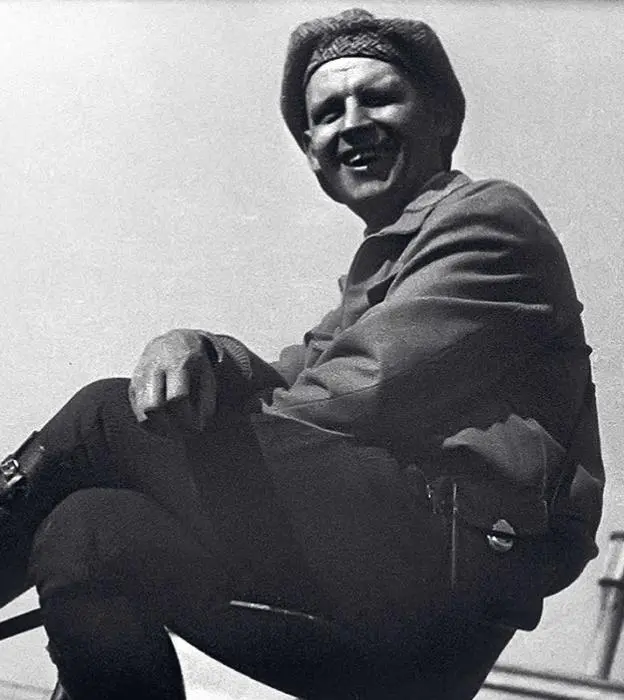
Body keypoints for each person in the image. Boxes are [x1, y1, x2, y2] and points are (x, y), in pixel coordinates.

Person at [0, 8, 604, 700]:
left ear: (441, 118)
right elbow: (292, 374)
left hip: (447, 578)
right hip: (400, 626)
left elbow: (352, 395)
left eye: (378, 98)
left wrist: (186, 403)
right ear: (313, 154)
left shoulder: (489, 219)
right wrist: (197, 350)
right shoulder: (383, 270)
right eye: (328, 113)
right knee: (87, 532)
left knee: (107, 418)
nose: (353, 123)